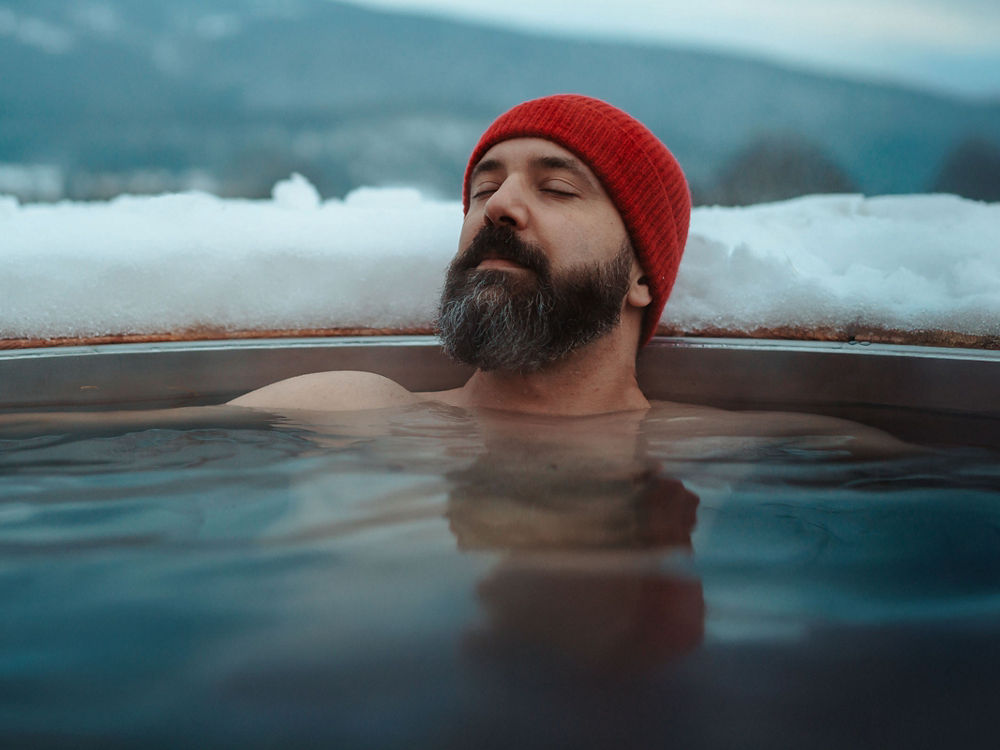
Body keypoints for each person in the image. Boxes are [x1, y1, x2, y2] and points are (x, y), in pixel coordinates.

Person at [230, 94, 691, 416]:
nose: (498, 207)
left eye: (556, 189)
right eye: (484, 190)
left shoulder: (709, 455)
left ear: (641, 278)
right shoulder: (343, 413)